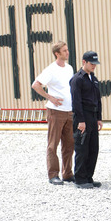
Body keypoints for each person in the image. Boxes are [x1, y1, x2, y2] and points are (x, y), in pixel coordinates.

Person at [32, 41, 74, 185]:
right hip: (56, 112)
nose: (67, 52)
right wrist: (50, 97)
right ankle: (53, 174)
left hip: (69, 111)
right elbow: (35, 85)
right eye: (64, 50)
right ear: (57, 53)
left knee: (69, 144)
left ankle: (67, 173)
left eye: (67, 50)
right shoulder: (50, 70)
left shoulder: (69, 68)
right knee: (53, 144)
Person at [69, 51, 103, 189]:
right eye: (91, 63)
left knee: (93, 148)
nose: (94, 66)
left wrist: (99, 118)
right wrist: (81, 121)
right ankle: (80, 178)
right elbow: (76, 102)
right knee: (82, 148)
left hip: (93, 116)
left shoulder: (92, 78)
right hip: (83, 116)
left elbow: (98, 99)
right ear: (84, 62)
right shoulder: (77, 79)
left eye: (95, 63)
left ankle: (89, 176)